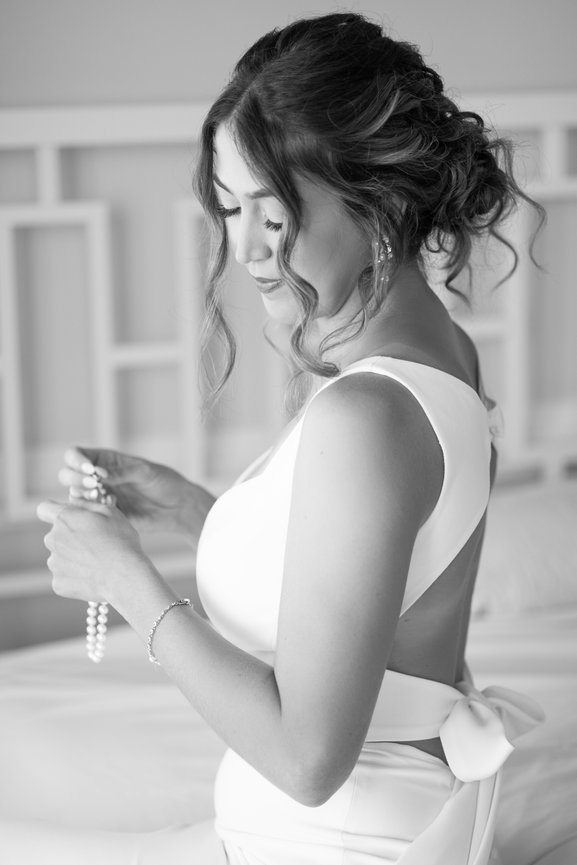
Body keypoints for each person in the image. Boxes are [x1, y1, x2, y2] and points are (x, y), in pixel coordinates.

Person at [37, 12, 544, 865]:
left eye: (271, 213)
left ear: (372, 199)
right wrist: (195, 510)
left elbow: (307, 759)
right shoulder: (438, 355)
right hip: (388, 819)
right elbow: (374, 587)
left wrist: (126, 582)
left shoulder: (365, 413)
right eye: (230, 208)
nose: (244, 249)